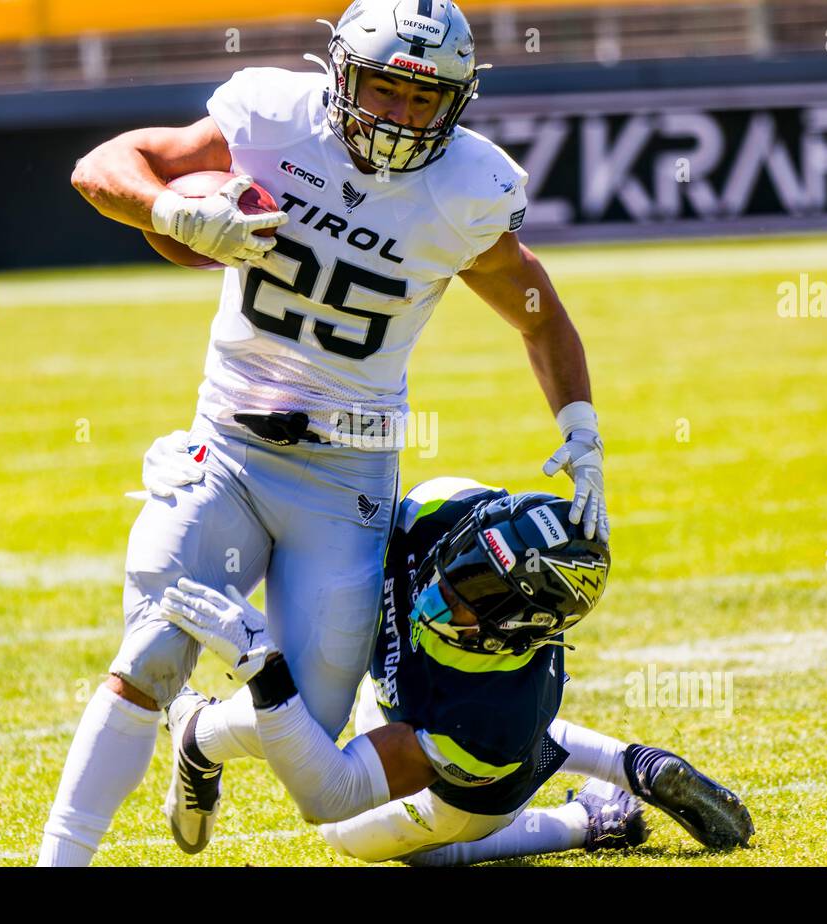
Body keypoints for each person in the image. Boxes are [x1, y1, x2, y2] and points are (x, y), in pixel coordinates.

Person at [38, 0, 608, 866]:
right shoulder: (272, 118)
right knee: (151, 649)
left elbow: (538, 313)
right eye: (385, 89)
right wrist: (175, 214)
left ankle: (199, 736)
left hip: (345, 477)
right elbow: (103, 167)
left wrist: (582, 430)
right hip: (227, 444)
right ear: (342, 74)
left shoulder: (466, 189)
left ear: (456, 101)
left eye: (425, 100)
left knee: (307, 727)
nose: (401, 118)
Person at [162, 478, 754, 864]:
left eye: (473, 597)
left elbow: (329, 794)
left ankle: (588, 820)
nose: (440, 596)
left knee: (354, 838)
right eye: (461, 564)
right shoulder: (438, 510)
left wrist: (264, 667)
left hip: (477, 772)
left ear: (522, 629)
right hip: (449, 713)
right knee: (319, 696)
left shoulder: (489, 719)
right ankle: (631, 766)